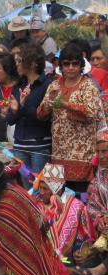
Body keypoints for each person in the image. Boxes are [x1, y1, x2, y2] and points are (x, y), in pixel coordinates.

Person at [38, 43, 101, 193]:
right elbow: (40, 115)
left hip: (82, 156)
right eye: (66, 64)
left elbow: (90, 113)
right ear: (61, 66)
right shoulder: (54, 85)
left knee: (80, 201)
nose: (71, 67)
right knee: (56, 199)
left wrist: (66, 104)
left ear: (81, 65)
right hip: (58, 154)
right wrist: (48, 103)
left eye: (75, 63)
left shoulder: (89, 86)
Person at [7, 43, 52, 176]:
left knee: (38, 189)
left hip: (39, 145)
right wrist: (15, 110)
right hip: (20, 144)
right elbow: (10, 120)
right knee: (25, 190)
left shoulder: (47, 86)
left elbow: (43, 117)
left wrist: (23, 106)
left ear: (32, 64)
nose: (17, 65)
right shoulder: (19, 85)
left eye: (20, 61)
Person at [35, 176, 93, 260]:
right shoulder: (35, 204)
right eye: (40, 188)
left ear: (56, 190)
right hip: (40, 254)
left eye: (45, 189)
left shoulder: (75, 206)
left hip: (64, 257)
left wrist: (79, 251)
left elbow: (84, 235)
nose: (41, 192)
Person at [84, 133, 108, 275]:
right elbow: (92, 203)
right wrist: (99, 217)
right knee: (86, 262)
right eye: (98, 152)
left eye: (105, 151)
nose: (101, 155)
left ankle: (100, 269)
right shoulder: (98, 175)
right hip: (104, 228)